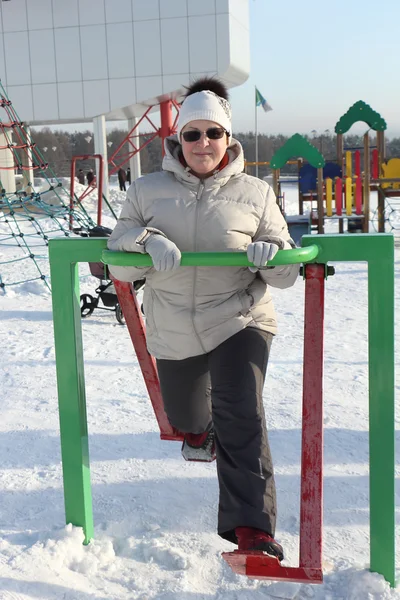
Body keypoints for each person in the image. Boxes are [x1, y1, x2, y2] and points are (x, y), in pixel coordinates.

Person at [107, 77, 298, 561]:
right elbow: (119, 263)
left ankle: (251, 531)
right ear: (178, 141)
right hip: (173, 323)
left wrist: (268, 257)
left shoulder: (255, 193)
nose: (203, 144)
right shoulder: (147, 190)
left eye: (213, 133)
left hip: (239, 317)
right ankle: (198, 430)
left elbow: (288, 270)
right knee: (189, 419)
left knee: (240, 408)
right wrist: (144, 240)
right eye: (192, 134)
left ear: (228, 138)